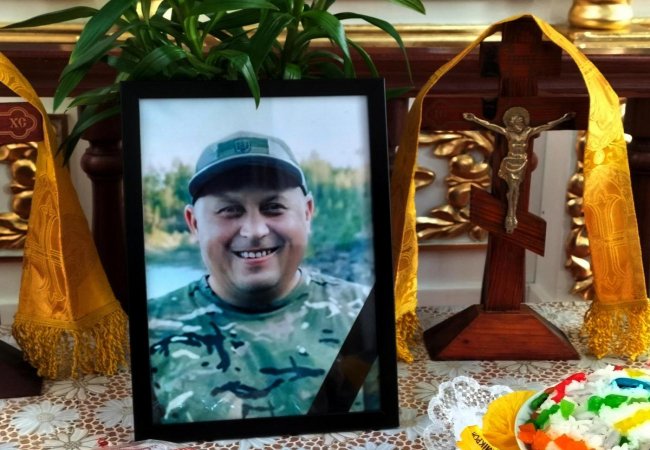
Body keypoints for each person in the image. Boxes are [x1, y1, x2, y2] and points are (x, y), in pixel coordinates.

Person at [147, 131, 377, 424]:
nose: (254, 231)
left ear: (307, 213)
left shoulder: (364, 312)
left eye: (273, 208)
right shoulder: (151, 326)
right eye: (229, 210)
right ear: (194, 223)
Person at [463, 107, 574, 233]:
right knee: (513, 189)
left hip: (521, 163)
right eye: (517, 122)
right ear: (511, 123)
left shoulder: (528, 132)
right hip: (511, 163)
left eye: (522, 122)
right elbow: (490, 125)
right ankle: (511, 216)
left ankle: (512, 215)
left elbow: (546, 126)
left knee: (516, 189)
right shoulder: (508, 133)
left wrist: (563, 119)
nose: (520, 124)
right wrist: (474, 119)